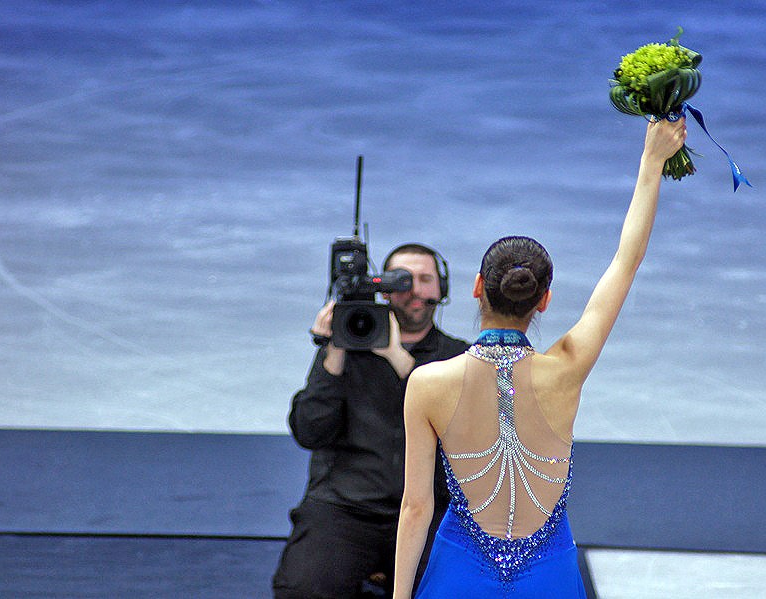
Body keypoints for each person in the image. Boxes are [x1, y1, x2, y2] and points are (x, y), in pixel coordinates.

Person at [392, 118, 687, 598]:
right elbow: (625, 262)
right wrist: (650, 163)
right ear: (543, 301)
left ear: (476, 289)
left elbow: (415, 509)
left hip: (459, 575)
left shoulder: (427, 383)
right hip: (547, 576)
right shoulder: (567, 369)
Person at [273, 243, 468, 599]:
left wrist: (397, 357)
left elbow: (465, 432)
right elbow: (309, 430)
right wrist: (333, 350)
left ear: (442, 290)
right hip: (346, 508)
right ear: (383, 289)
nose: (414, 290)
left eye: (425, 279)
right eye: (402, 280)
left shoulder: (456, 357)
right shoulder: (347, 347)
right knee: (302, 590)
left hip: (430, 510)